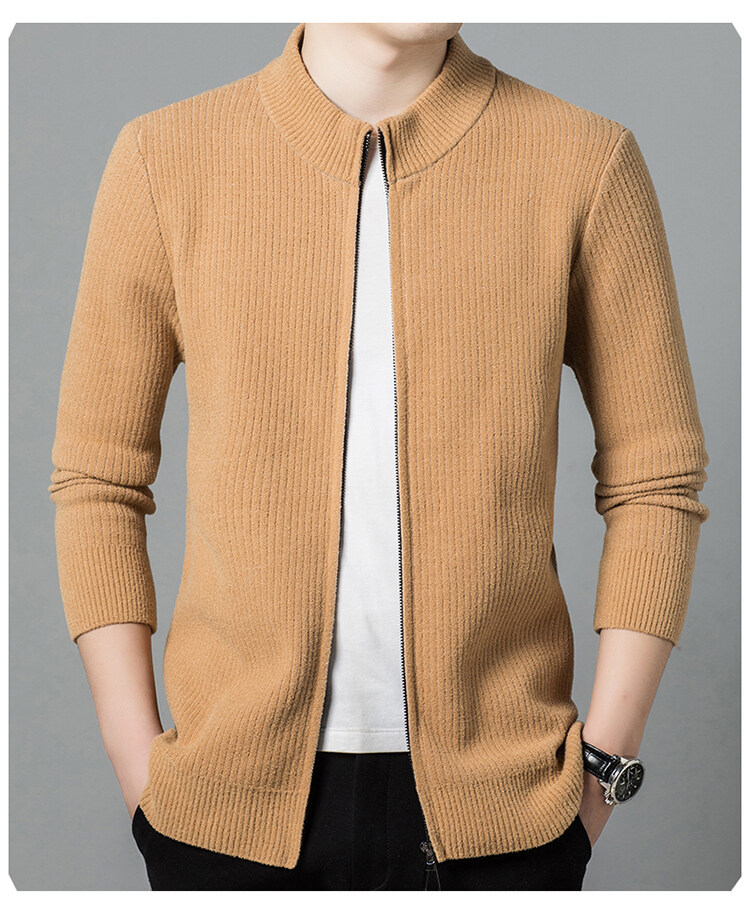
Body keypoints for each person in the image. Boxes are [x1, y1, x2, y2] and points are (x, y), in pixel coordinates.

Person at [48, 22, 710, 890]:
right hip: (222, 814)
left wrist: (601, 771)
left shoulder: (586, 162)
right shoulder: (163, 159)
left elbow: (656, 478)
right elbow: (98, 478)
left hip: (505, 818)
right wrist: (138, 766)